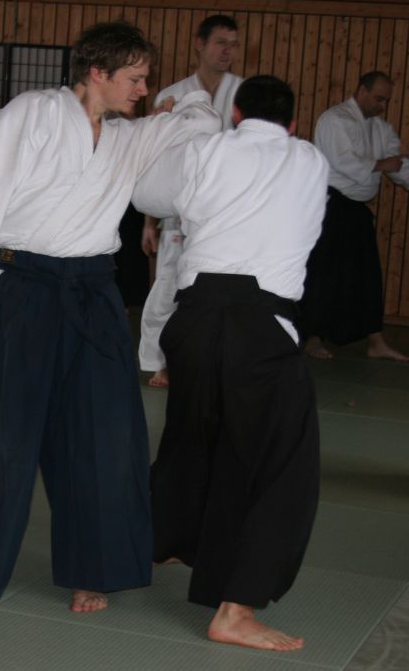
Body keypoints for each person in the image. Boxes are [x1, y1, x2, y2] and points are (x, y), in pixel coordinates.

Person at [0, 21, 220, 611]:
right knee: (0, 429)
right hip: (22, 284)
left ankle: (92, 567)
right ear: (97, 72)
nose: (144, 90)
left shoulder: (128, 137)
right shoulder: (33, 113)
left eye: (147, 80)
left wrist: (183, 104)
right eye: (135, 79)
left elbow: (204, 122)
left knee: (107, 434)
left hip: (93, 290)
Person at [133, 75, 329, 652]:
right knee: (281, 465)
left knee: (192, 438)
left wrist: (183, 123)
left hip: (193, 322)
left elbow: (146, 197)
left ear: (236, 113)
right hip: (261, 328)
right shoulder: (310, 160)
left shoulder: (206, 149)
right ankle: (236, 609)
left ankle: (155, 542)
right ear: (294, 124)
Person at [138, 15, 242, 387]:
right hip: (178, 209)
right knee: (168, 285)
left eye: (233, 44)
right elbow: (155, 159)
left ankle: (213, 359)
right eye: (220, 42)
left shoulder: (243, 92)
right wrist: (149, 222)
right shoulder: (173, 94)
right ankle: (159, 362)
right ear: (200, 44)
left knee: (222, 288)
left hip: (226, 211)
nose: (227, 51)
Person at [301, 71, 409, 362]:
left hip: (355, 210)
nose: (382, 105)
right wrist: (383, 164)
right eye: (379, 99)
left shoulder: (380, 128)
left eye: (386, 101)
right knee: (324, 275)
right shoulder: (334, 119)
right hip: (331, 207)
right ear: (362, 91)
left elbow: (399, 165)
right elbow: (345, 163)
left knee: (367, 276)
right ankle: (313, 339)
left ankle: (375, 341)